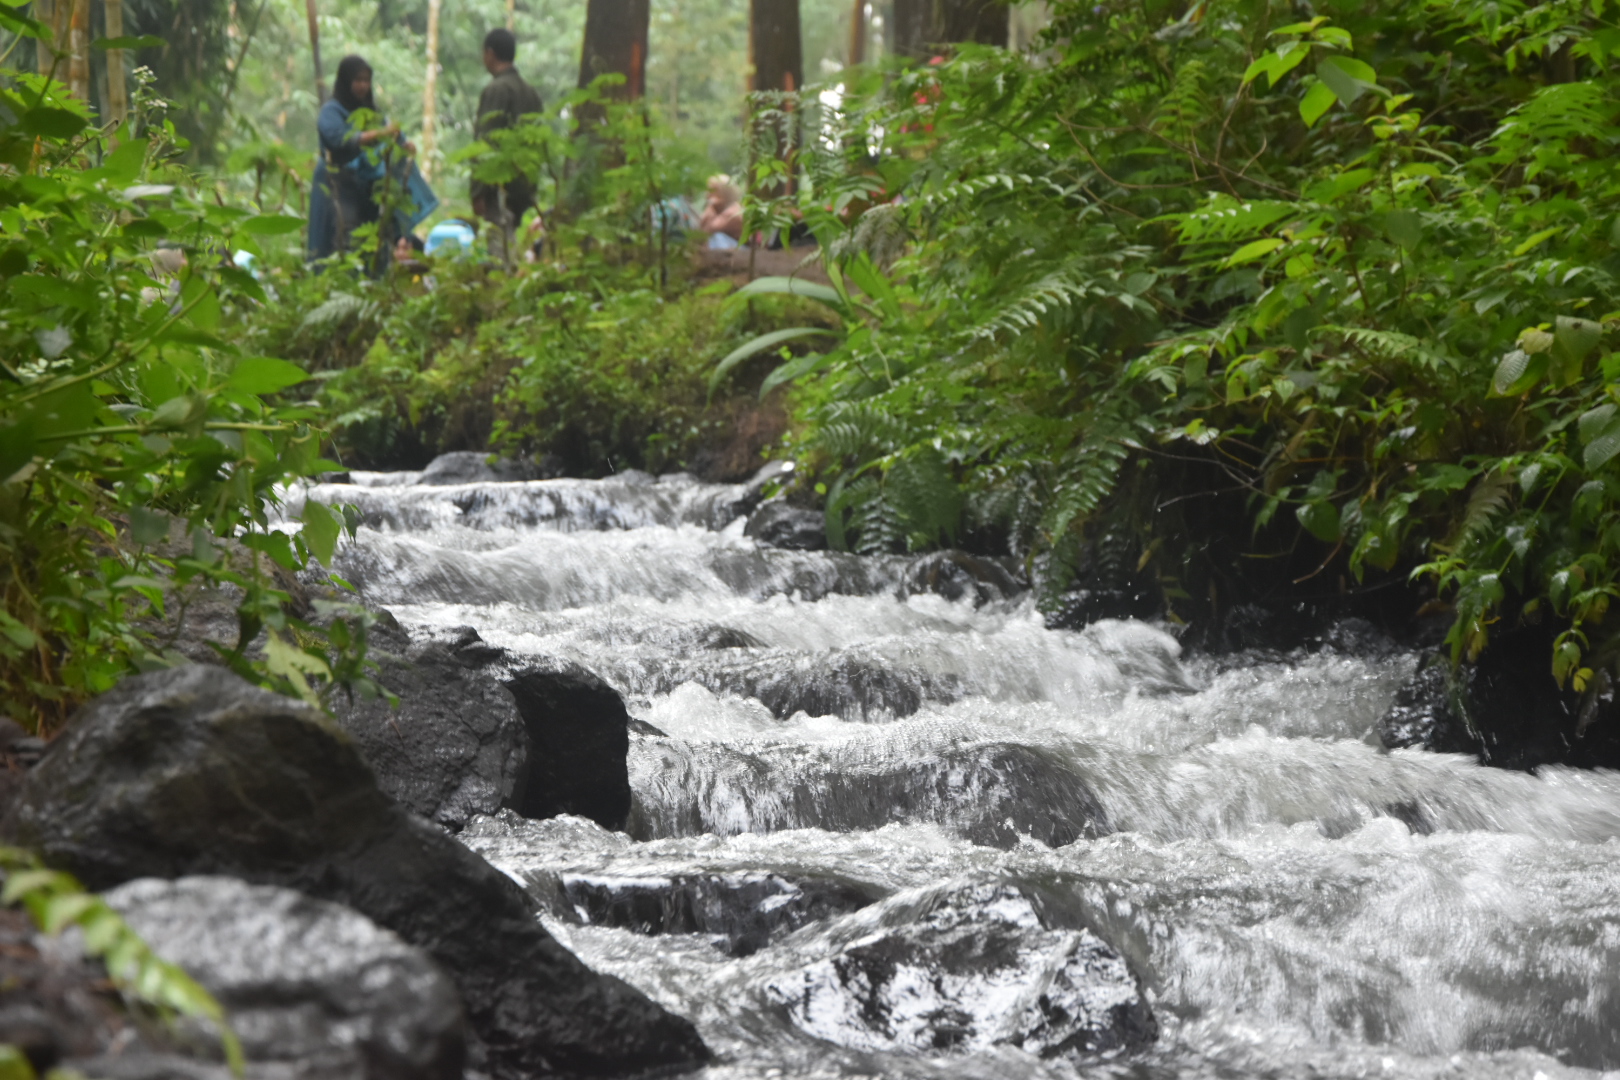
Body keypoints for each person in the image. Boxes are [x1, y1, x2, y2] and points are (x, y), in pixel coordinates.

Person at [307, 55, 416, 269]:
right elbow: (339, 139)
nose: (363, 86)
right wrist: (376, 134)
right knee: (336, 241)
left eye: (366, 80)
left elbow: (392, 138)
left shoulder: (372, 111)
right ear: (346, 81)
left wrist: (402, 145)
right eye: (358, 80)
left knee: (372, 241)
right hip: (336, 186)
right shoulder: (332, 111)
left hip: (365, 190)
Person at [472, 28, 543, 264]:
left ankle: (505, 292)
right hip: (525, 184)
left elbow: (486, 142)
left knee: (500, 248)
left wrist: (478, 189)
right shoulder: (531, 93)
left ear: (490, 54)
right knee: (511, 241)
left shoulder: (496, 90)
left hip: (499, 186)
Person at [698, 174, 743, 250]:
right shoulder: (717, 210)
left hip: (743, 252)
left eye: (713, 191)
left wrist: (710, 208)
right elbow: (700, 233)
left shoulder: (734, 211)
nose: (708, 195)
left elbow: (708, 230)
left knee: (717, 238)